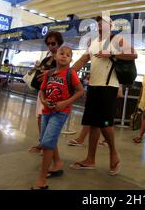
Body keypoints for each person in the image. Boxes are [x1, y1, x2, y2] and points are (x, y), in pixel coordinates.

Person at [70, 15, 137, 175]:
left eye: (104, 22)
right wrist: (66, 73)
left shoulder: (116, 39)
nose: (100, 24)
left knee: (105, 124)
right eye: (98, 23)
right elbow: (82, 60)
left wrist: (112, 55)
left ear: (111, 25)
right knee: (93, 124)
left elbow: (133, 55)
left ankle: (114, 155)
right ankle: (90, 159)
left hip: (108, 87)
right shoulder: (94, 43)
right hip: (93, 87)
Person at [31, 45, 84, 190]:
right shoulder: (49, 74)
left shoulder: (71, 73)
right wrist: (43, 101)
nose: (64, 56)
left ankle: (41, 180)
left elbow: (80, 91)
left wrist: (65, 103)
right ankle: (57, 164)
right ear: (55, 56)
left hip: (60, 112)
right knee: (45, 140)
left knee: (47, 142)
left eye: (68, 54)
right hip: (47, 111)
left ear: (71, 59)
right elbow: (42, 91)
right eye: (62, 53)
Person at [29, 31, 64, 153]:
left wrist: (48, 73)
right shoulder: (47, 58)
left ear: (59, 43)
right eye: (48, 43)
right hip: (42, 92)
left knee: (49, 119)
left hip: (54, 93)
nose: (50, 46)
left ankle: (48, 146)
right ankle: (42, 142)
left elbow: (65, 72)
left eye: (53, 43)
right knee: (40, 117)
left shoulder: (62, 57)